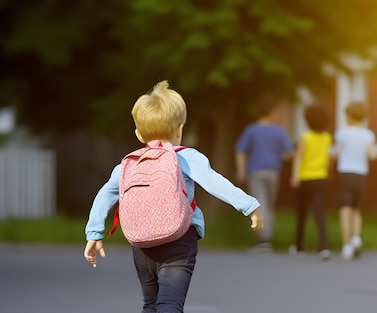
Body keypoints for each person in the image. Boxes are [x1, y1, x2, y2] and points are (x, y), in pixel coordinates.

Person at [83, 80, 263, 313]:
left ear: (138, 134)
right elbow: (214, 182)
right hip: (179, 239)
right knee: (170, 306)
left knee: (151, 304)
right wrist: (249, 206)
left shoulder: (128, 165)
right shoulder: (187, 157)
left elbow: (105, 194)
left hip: (141, 242)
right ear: (180, 129)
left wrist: (94, 233)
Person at [235, 97, 293, 252]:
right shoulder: (279, 131)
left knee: (261, 204)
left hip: (256, 171)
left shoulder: (251, 130)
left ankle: (264, 240)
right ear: (272, 112)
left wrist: (241, 170)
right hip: (273, 171)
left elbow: (240, 150)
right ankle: (267, 237)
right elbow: (288, 154)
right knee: (270, 205)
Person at [332, 101, 377, 260]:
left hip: (345, 173)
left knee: (345, 210)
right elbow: (373, 156)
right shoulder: (369, 135)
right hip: (361, 174)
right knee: (356, 210)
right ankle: (356, 237)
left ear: (349, 117)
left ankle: (346, 246)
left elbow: (336, 153)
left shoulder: (342, 133)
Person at [289, 104, 332, 260]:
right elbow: (327, 158)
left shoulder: (305, 138)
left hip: (305, 178)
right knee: (319, 213)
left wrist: (294, 176)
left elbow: (298, 157)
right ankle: (323, 247)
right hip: (321, 177)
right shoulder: (327, 138)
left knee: (302, 212)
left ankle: (299, 246)